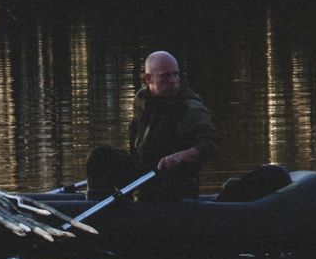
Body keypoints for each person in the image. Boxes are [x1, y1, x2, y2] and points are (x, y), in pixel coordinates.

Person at [85, 50, 220, 202]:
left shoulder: (190, 107)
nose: (173, 81)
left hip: (173, 180)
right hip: (145, 170)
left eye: (176, 74)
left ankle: (123, 210)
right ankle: (99, 207)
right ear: (148, 78)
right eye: (166, 76)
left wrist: (181, 156)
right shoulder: (142, 99)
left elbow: (212, 145)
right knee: (100, 156)